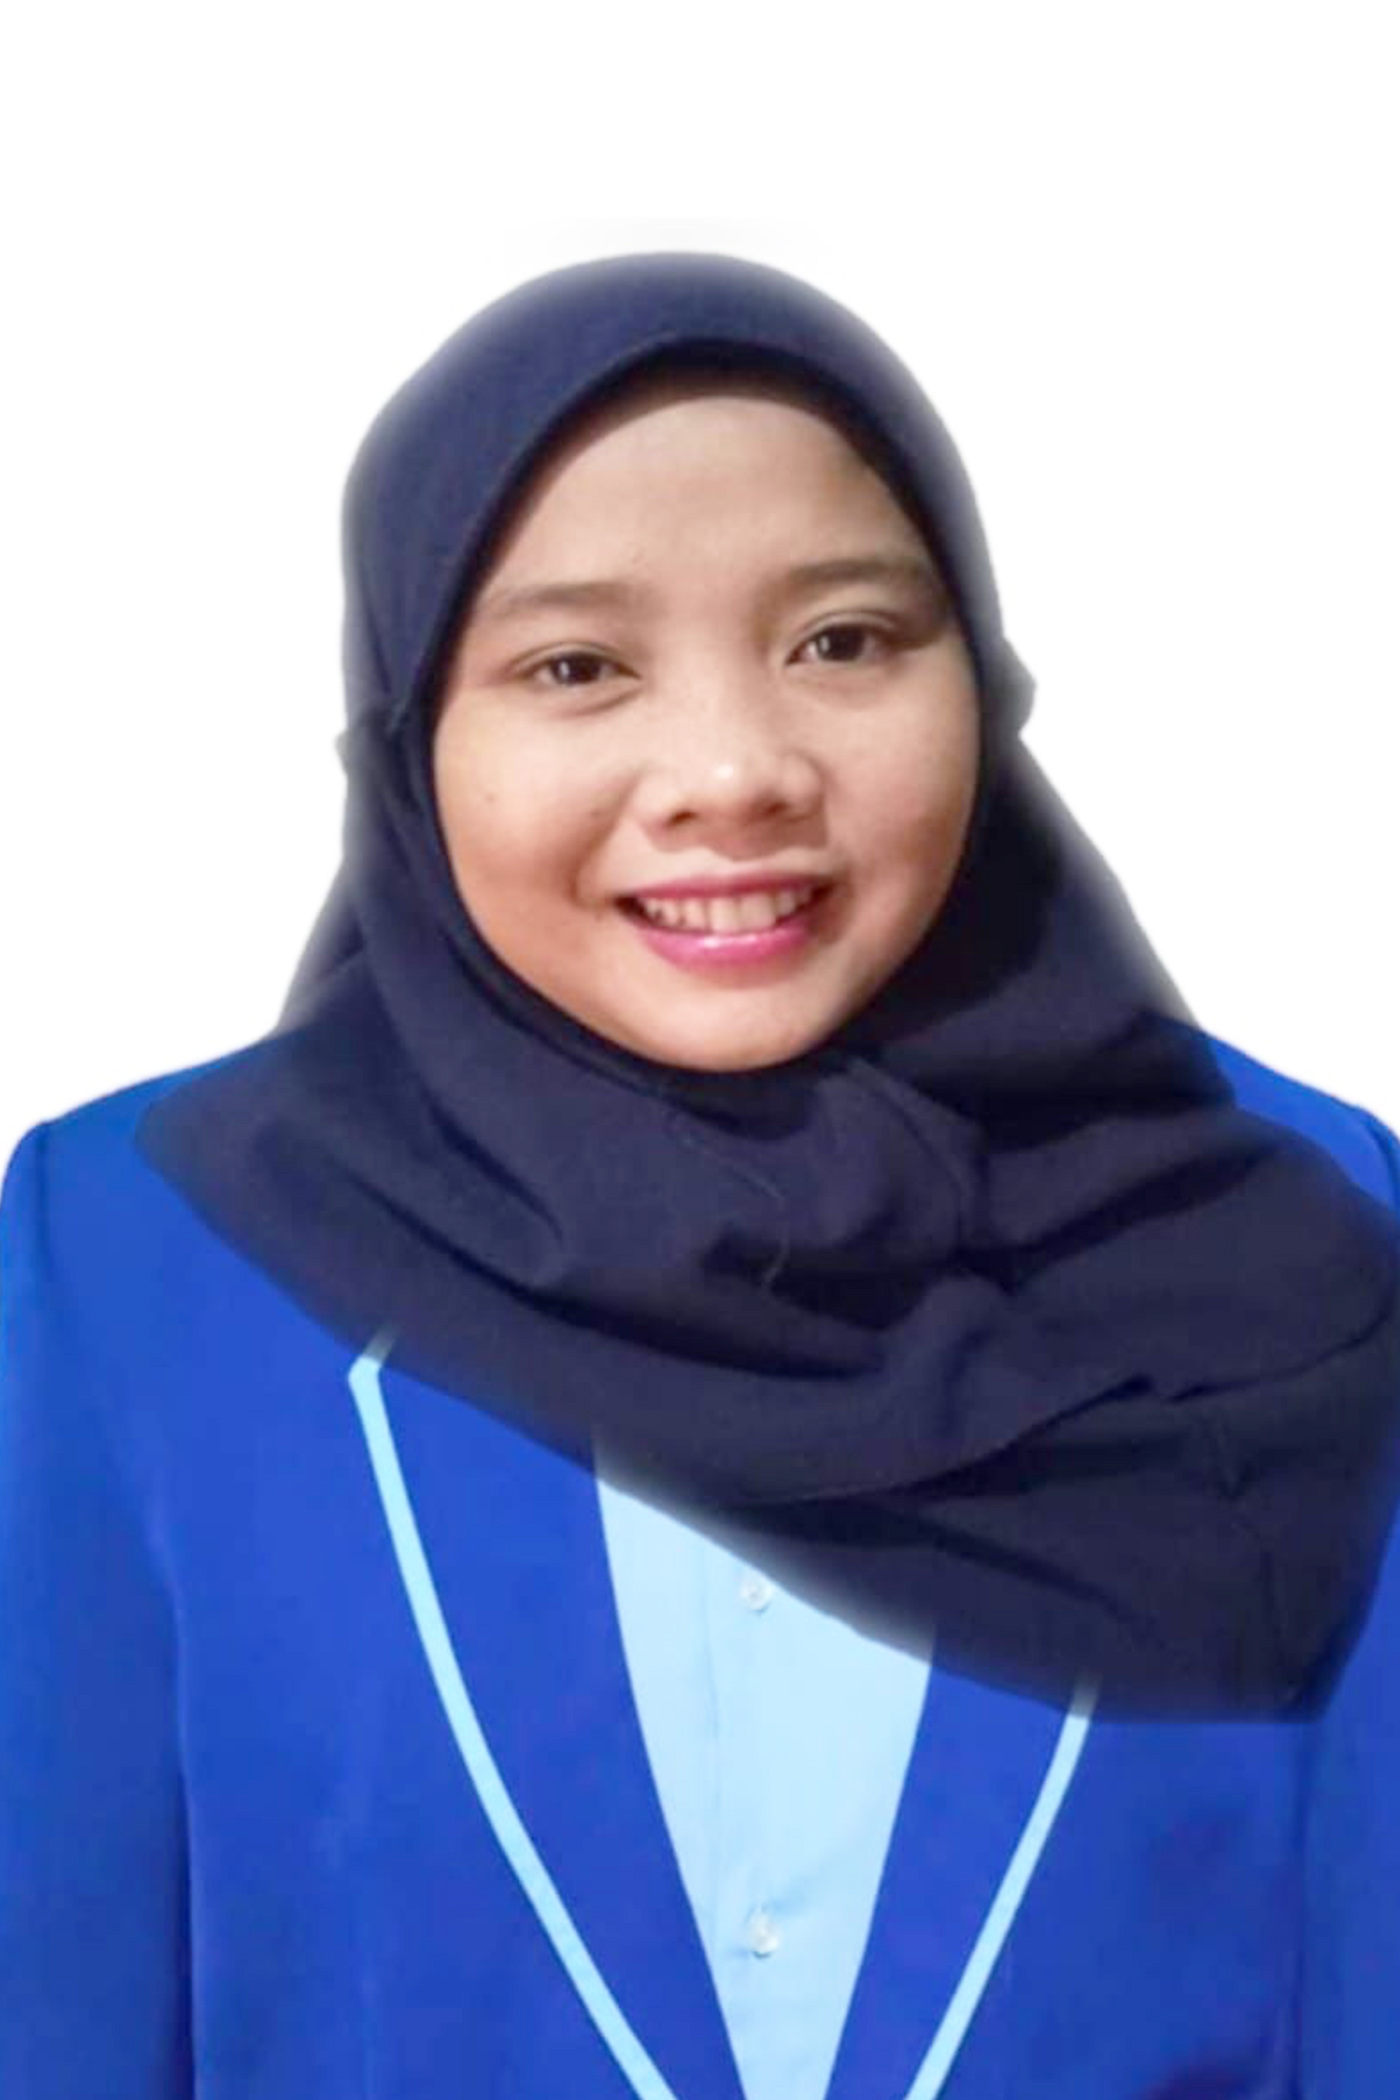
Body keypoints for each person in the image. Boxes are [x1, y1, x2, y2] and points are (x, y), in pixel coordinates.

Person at [3, 250, 1399, 2098]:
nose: (734, 773)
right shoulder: (136, 1255)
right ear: (416, 736)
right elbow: (64, 2011)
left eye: (845, 641)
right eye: (576, 666)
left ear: (980, 676)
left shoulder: (1295, 1235)